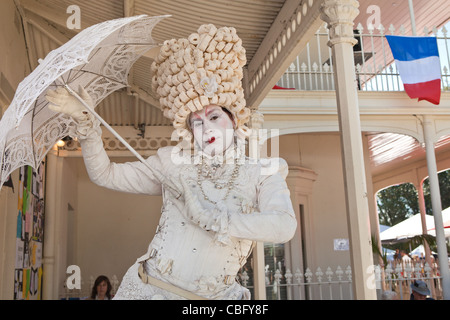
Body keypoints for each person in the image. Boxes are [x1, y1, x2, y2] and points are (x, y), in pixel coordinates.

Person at [46, 24, 296, 300]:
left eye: (214, 117)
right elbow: (105, 175)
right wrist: (87, 124)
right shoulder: (173, 163)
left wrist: (216, 219)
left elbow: (283, 226)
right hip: (148, 291)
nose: (207, 129)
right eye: (197, 123)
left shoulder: (263, 171)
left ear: (234, 119)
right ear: (190, 132)